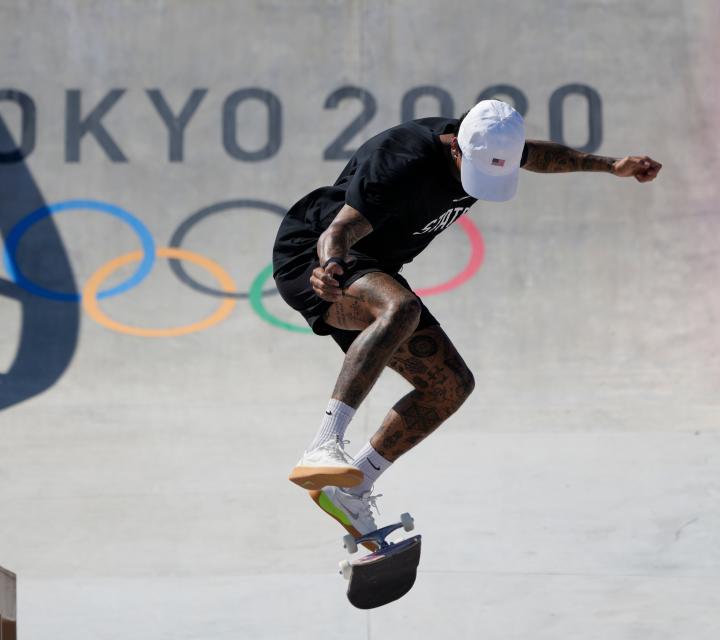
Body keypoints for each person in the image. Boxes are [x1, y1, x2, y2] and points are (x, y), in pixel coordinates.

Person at [272, 99, 661, 541]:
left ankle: (354, 487)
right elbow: (337, 231)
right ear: (455, 146)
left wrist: (612, 167)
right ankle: (324, 443)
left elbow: (546, 155)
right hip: (315, 260)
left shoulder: (491, 142)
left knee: (450, 386)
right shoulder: (401, 161)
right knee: (400, 307)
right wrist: (331, 268)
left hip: (375, 267)